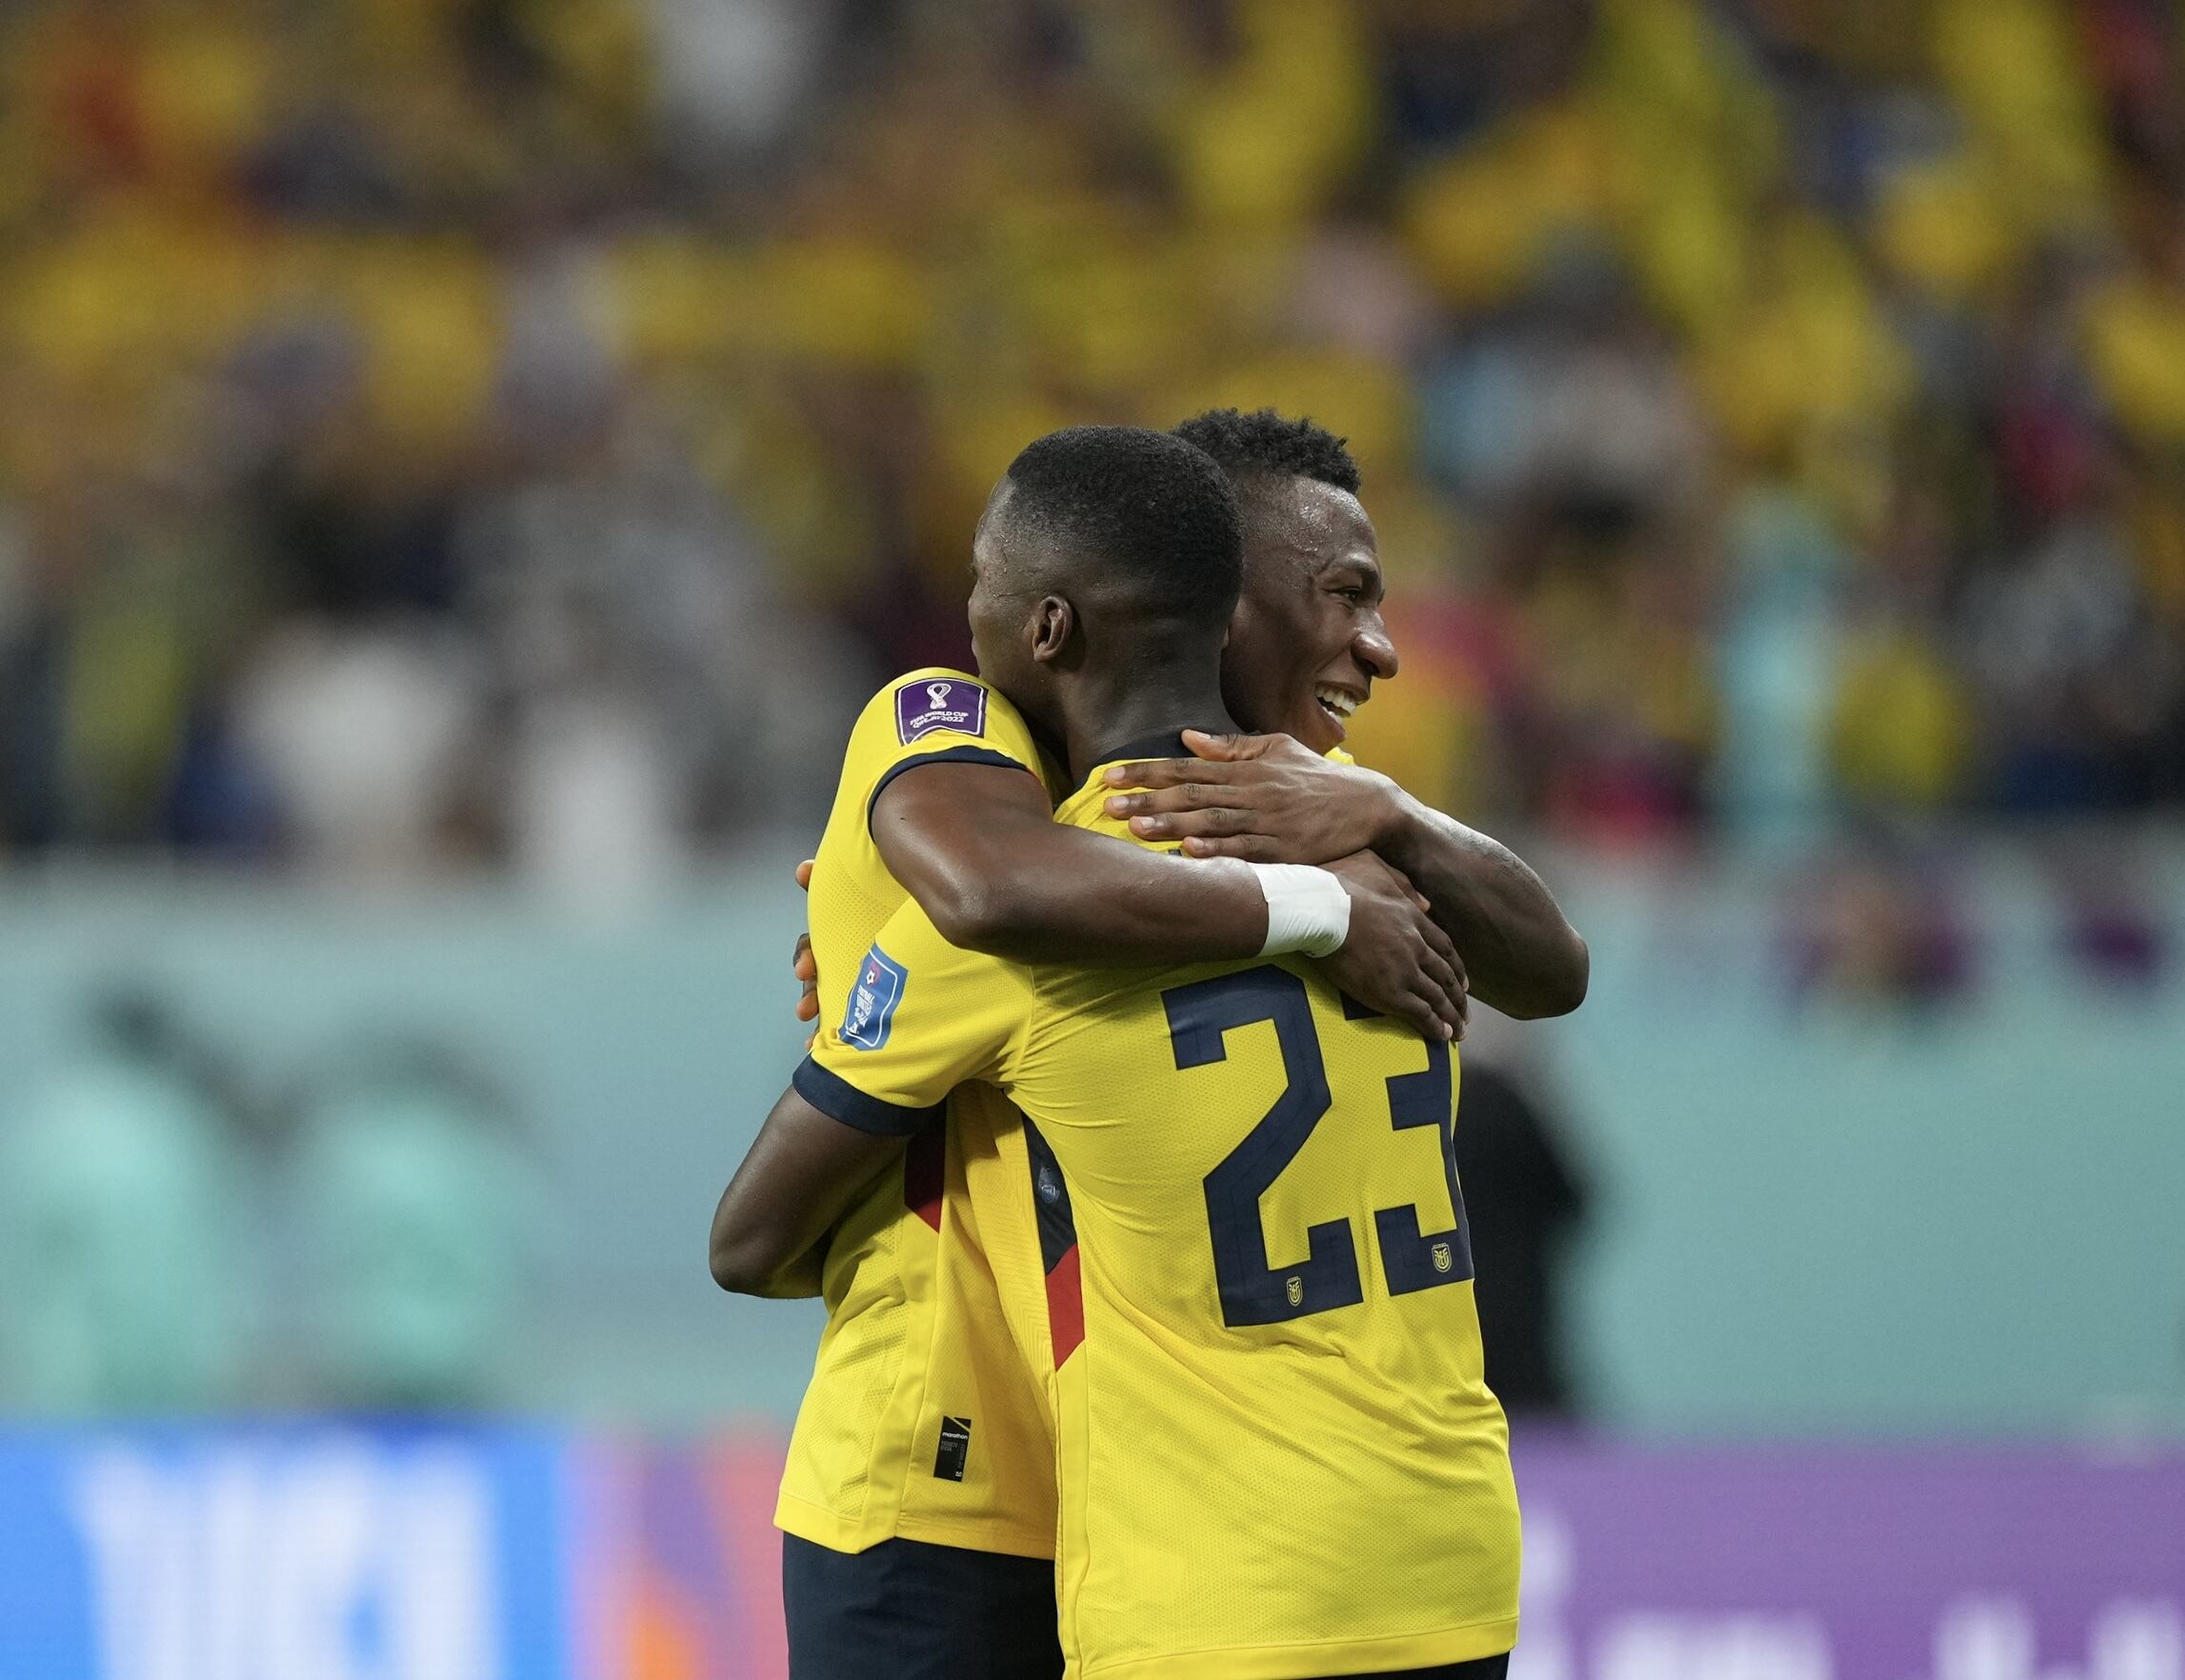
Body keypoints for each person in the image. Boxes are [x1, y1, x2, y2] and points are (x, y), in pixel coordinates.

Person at [717, 426, 1520, 1678]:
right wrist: (1318, 907)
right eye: (1344, 597)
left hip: (1151, 1520)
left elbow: (749, 1242)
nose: (1374, 647)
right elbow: (988, 880)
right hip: (961, 1471)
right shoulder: (1344, 866)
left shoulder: (1339, 826)